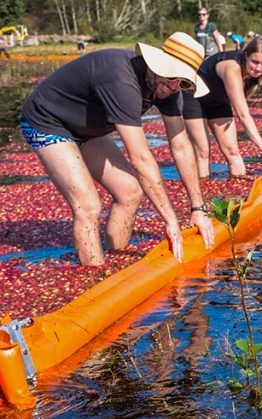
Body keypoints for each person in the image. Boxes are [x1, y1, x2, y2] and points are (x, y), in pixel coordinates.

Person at [19, 32, 214, 266]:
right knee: (88, 206)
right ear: (156, 64)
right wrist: (171, 219)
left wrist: (198, 208)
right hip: (48, 121)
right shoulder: (121, 79)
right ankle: (94, 278)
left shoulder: (170, 90)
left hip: (86, 129)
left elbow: (181, 146)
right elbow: (140, 158)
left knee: (130, 191)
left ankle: (117, 262)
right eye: (172, 75)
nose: (174, 85)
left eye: (183, 82)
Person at [181, 35, 262, 178]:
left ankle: (239, 186)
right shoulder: (232, 67)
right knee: (203, 150)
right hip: (193, 96)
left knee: (233, 150)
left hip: (218, 102)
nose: (258, 68)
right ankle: (203, 189)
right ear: (246, 55)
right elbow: (243, 114)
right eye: (254, 62)